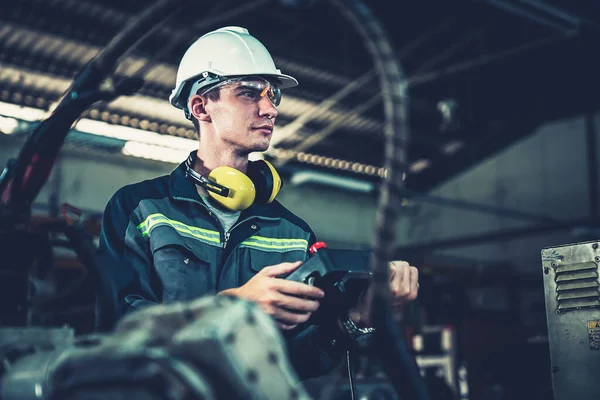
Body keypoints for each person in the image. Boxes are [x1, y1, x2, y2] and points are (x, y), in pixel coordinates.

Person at [94, 26, 419, 380]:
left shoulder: (293, 233)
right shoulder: (140, 209)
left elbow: (296, 361)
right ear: (201, 106)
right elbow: (118, 330)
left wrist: (356, 319)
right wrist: (235, 306)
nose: (270, 108)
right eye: (249, 93)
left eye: (273, 94)